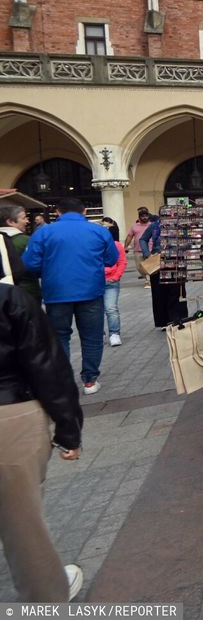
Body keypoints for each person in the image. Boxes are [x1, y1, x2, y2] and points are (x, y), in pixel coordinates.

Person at [0, 258, 85, 602]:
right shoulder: (12, 300)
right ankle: (45, 601)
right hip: (10, 414)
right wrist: (68, 429)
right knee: (22, 528)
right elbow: (48, 369)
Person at [21, 198, 118, 395]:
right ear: (85, 211)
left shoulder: (44, 232)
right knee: (91, 337)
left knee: (59, 337)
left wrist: (47, 270)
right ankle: (90, 381)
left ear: (57, 212)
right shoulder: (99, 231)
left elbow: (30, 264)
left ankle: (63, 381)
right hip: (91, 290)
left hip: (56, 292)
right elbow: (111, 259)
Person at [0, 205, 41, 302]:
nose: (27, 221)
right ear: (10, 222)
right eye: (23, 218)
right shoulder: (27, 241)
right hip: (28, 292)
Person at [101, 218, 127, 347]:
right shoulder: (93, 244)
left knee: (111, 308)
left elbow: (122, 262)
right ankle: (99, 334)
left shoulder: (117, 245)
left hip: (111, 281)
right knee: (96, 310)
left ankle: (114, 334)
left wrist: (116, 276)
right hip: (95, 281)